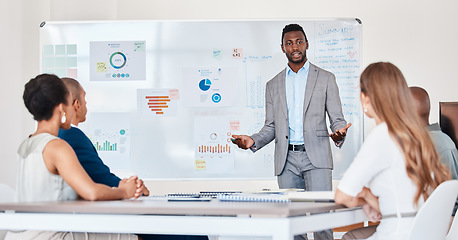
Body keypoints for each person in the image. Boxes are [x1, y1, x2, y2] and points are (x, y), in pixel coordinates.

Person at [231, 23, 351, 240]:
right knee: (292, 224)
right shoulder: (273, 84)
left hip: (317, 159)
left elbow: (337, 120)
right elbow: (271, 127)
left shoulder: (326, 78)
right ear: (282, 47)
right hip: (286, 161)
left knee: (322, 221)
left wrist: (339, 133)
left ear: (307, 44)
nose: (294, 46)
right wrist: (252, 141)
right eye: (289, 43)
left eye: (299, 42)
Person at [58, 77, 208, 240]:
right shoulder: (71, 135)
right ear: (76, 104)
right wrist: (132, 189)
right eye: (85, 100)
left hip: (94, 211)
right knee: (190, 233)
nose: (87, 105)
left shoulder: (60, 136)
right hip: (100, 213)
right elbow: (100, 177)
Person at [7, 74, 141, 240]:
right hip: (50, 235)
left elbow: (59, 192)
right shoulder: (57, 146)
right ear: (61, 108)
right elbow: (91, 192)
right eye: (71, 103)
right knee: (134, 237)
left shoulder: (27, 144)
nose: (74, 109)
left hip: (20, 234)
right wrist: (124, 191)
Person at [335, 62, 451, 240]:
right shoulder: (419, 136)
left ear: (365, 99)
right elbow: (406, 206)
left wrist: (364, 196)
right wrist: (368, 198)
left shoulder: (383, 134)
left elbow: (342, 195)